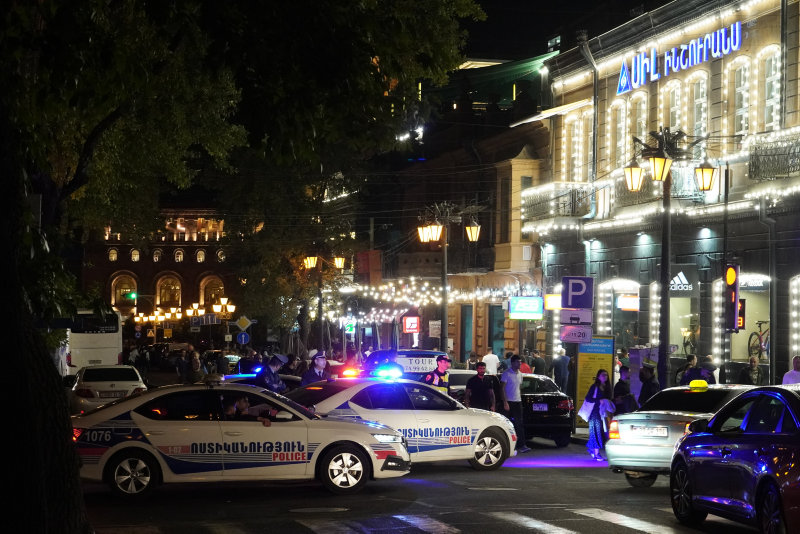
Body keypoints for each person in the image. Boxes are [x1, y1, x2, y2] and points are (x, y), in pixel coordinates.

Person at [500, 355, 530, 453]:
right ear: (512, 363)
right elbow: (502, 388)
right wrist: (505, 402)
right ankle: (505, 445)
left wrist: (520, 398)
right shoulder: (507, 373)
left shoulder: (520, 374)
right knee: (506, 424)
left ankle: (521, 445)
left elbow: (519, 388)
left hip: (518, 401)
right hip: (509, 401)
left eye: (520, 362)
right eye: (518, 362)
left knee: (519, 424)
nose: (520, 363)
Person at [584, 369, 613, 461]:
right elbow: (588, 398)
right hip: (595, 413)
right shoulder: (594, 387)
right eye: (603, 375)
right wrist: (598, 400)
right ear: (598, 377)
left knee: (602, 431)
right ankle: (597, 454)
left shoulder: (608, 387)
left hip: (604, 413)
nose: (605, 377)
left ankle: (592, 450)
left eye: (606, 375)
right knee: (596, 432)